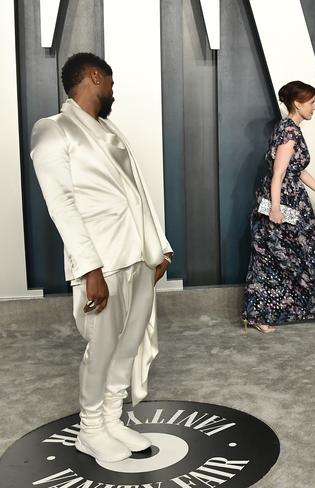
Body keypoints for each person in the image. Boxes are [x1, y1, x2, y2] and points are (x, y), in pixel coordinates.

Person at [31, 53, 173, 461]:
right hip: (101, 260)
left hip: (138, 257)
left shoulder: (109, 129)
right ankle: (90, 428)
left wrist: (158, 246)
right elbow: (61, 202)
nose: (114, 89)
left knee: (127, 344)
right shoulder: (53, 130)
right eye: (110, 81)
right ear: (95, 77)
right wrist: (89, 267)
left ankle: (112, 418)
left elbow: (137, 191)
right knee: (103, 345)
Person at [242, 81, 315, 333]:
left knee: (278, 258)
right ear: (297, 103)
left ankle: (261, 315)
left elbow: (296, 169)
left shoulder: (289, 128)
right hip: (284, 206)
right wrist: (275, 209)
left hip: (289, 202)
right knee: (292, 257)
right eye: (311, 102)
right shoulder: (289, 132)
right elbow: (279, 174)